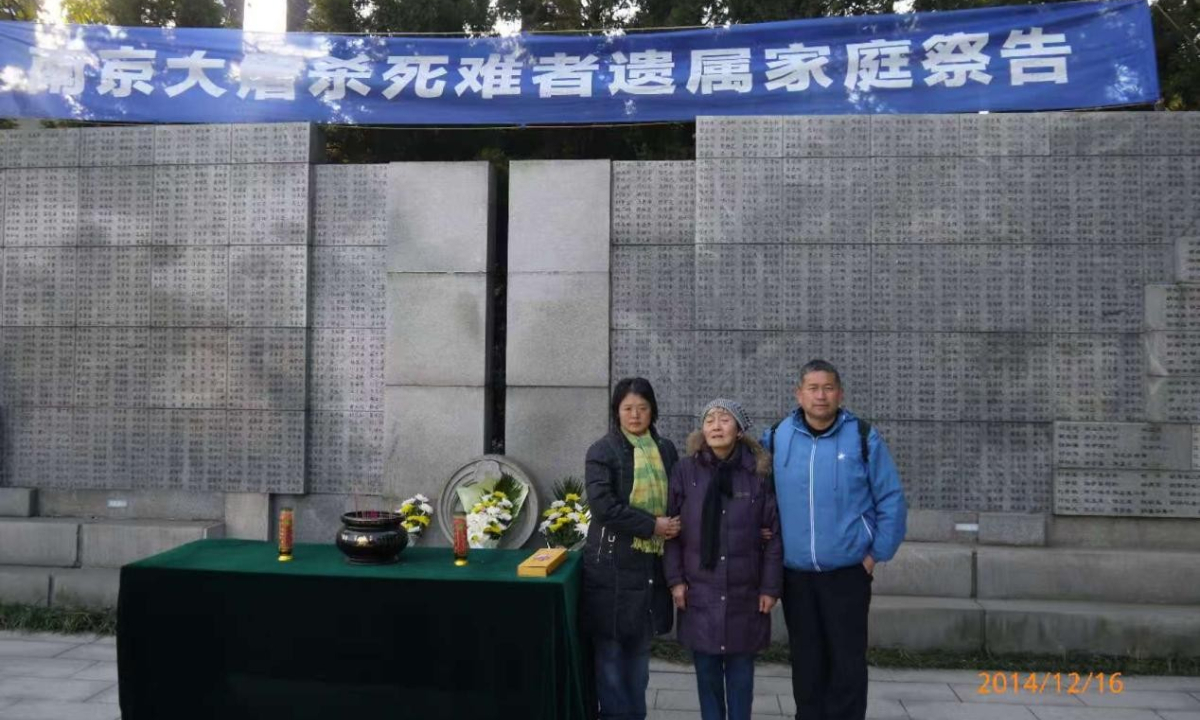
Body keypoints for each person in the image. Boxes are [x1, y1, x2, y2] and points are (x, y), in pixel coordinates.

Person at [762, 359, 907, 720]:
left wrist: (875, 555)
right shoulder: (778, 436)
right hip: (795, 575)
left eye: (828, 388)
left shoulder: (861, 436)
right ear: (799, 394)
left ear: (840, 393)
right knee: (806, 664)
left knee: (847, 664)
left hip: (848, 573)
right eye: (813, 388)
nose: (820, 396)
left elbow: (891, 498)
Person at [664, 398, 782, 720]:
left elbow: (774, 535)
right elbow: (672, 530)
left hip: (745, 590)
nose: (716, 426)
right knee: (707, 674)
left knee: (741, 674)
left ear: (740, 430)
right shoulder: (685, 471)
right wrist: (675, 581)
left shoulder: (758, 473)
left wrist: (770, 589)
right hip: (699, 589)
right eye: (710, 420)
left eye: (725, 419)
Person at [583, 377, 681, 720]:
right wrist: (652, 525)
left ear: (652, 410)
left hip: (648, 567)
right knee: (609, 660)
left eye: (642, 408)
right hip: (609, 566)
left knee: (639, 663)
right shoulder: (602, 451)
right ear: (617, 412)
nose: (635, 415)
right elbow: (603, 507)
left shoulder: (666, 449)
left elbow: (680, 497)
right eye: (628, 409)